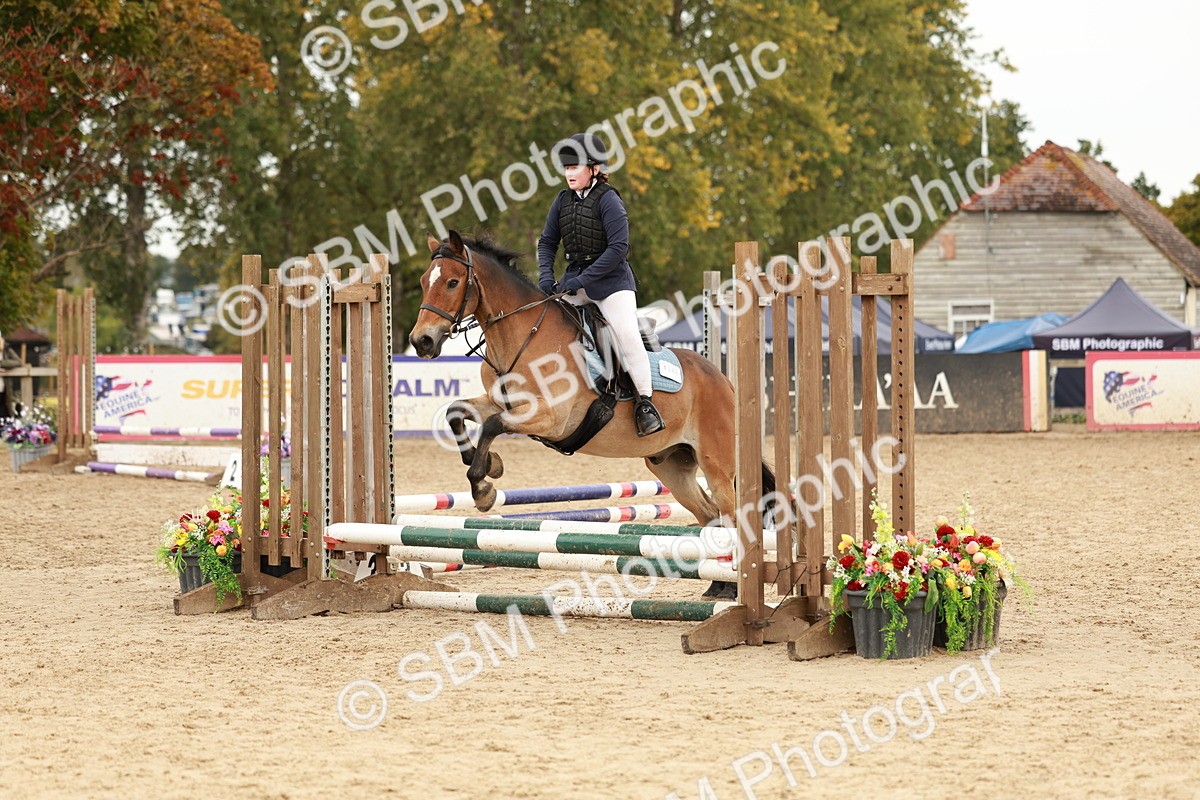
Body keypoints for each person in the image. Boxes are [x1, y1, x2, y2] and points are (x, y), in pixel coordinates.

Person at [537, 133, 664, 437]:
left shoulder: (609, 200)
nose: (569, 173)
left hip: (612, 283)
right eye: (566, 168)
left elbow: (619, 248)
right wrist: (545, 276)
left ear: (594, 168)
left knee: (627, 335)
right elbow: (547, 241)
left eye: (575, 167)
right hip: (574, 280)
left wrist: (582, 280)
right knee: (544, 322)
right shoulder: (562, 200)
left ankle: (646, 404)